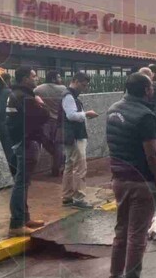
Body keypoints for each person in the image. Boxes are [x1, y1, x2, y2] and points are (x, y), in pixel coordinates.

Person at [107, 73, 156, 278]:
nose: (153, 89)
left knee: (121, 232)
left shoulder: (112, 110)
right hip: (141, 182)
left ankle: (115, 274)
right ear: (146, 90)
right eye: (151, 87)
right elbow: (152, 154)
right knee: (137, 236)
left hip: (119, 179)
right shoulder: (145, 115)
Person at [6, 67, 50, 237]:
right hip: (27, 142)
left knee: (23, 182)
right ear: (25, 79)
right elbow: (44, 116)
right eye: (33, 76)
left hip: (22, 141)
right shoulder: (24, 97)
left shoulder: (16, 94)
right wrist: (40, 102)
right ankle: (17, 223)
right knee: (21, 183)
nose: (36, 78)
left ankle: (24, 218)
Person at [60, 72, 98, 209]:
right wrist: (86, 114)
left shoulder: (69, 95)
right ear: (75, 81)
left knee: (69, 166)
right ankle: (78, 198)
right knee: (80, 167)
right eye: (83, 85)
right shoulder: (69, 96)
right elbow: (71, 115)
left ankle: (67, 196)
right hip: (75, 136)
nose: (84, 88)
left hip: (71, 135)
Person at [34, 70, 66, 176]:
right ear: (53, 79)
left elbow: (33, 98)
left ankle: (58, 157)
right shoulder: (63, 89)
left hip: (46, 121)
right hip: (59, 121)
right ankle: (57, 166)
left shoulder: (38, 89)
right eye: (59, 77)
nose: (60, 79)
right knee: (59, 144)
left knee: (45, 141)